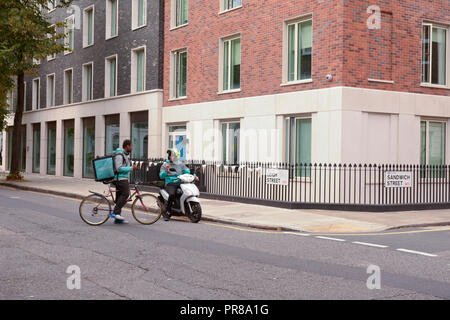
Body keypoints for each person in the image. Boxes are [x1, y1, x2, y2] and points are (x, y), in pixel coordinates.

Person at [159, 149, 197, 221]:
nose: (170, 157)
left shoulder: (180, 164)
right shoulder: (165, 164)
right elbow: (161, 176)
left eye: (172, 155)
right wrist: (166, 170)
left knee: (186, 192)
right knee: (172, 195)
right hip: (170, 183)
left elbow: (187, 171)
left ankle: (184, 207)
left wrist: (194, 176)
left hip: (180, 182)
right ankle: (168, 212)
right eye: (170, 155)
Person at [112, 139, 138, 224]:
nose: (132, 147)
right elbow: (118, 168)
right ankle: (115, 212)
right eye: (131, 146)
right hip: (120, 179)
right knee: (126, 194)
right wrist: (131, 168)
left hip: (122, 178)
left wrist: (132, 168)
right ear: (127, 146)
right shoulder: (120, 155)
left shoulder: (124, 155)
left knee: (119, 198)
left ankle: (117, 218)